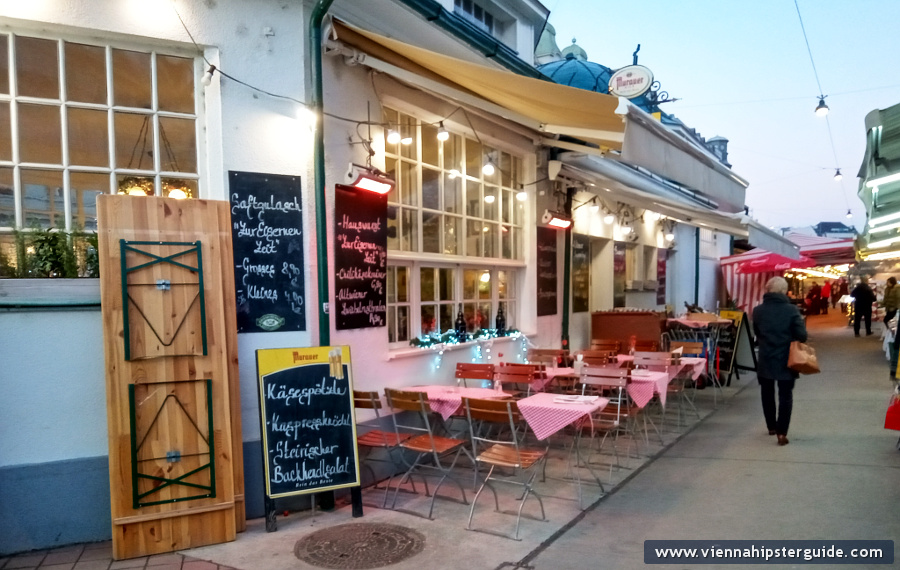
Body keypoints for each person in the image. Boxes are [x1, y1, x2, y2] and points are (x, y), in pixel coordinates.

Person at [753, 276, 808, 446]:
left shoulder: (758, 310)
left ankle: (771, 426)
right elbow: (802, 336)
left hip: (766, 356)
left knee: (767, 392)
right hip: (787, 357)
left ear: (767, 290)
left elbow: (757, 332)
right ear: (784, 291)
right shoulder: (791, 310)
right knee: (785, 395)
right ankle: (782, 433)